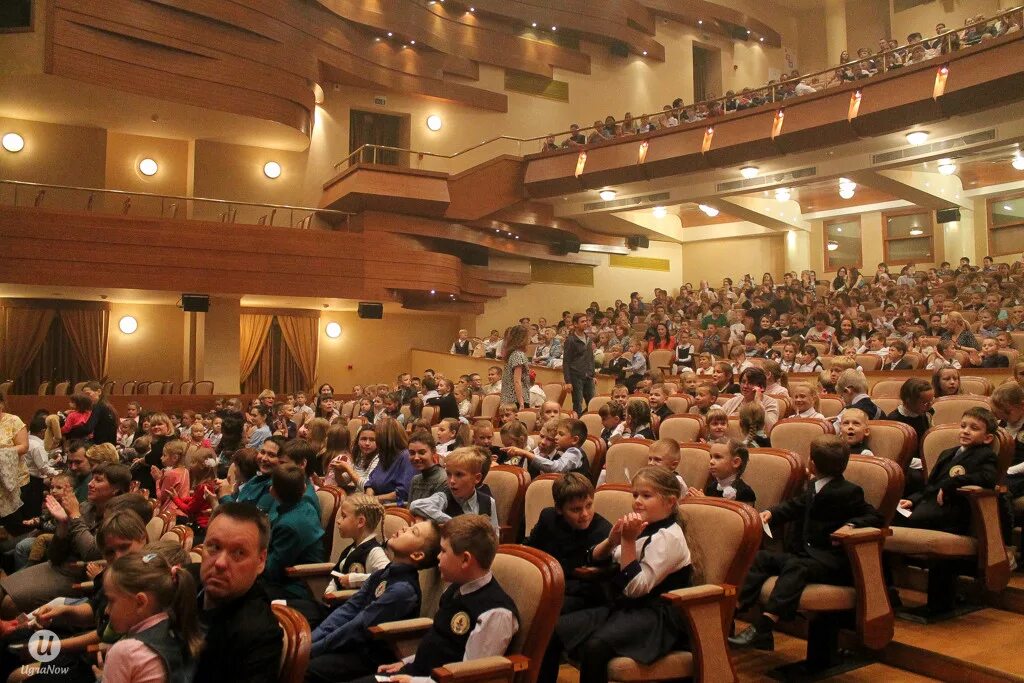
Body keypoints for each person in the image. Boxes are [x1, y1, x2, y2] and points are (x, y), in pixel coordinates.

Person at [730, 436, 881, 650]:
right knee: (761, 559)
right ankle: (733, 609)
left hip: (829, 560)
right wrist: (770, 513)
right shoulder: (814, 485)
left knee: (795, 567)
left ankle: (764, 625)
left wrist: (852, 525)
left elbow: (874, 516)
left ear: (812, 464)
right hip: (805, 554)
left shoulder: (849, 491)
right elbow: (795, 506)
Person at [545, 467, 692, 683]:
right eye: (635, 495)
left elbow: (634, 588)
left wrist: (628, 540)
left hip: (656, 615)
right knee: (553, 630)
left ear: (670, 502)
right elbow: (596, 558)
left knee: (595, 648)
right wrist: (612, 540)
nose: (637, 501)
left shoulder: (669, 538)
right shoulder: (643, 526)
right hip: (625, 607)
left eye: (646, 495)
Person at [360, 515, 519, 683]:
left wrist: (413, 681)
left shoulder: (495, 613)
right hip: (414, 674)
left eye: (443, 551)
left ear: (465, 560)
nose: (438, 557)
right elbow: (438, 644)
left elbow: (467, 677)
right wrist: (405, 662)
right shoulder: (456, 587)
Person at [307, 519, 443, 682]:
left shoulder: (403, 591)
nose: (404, 528)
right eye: (410, 526)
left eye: (413, 531)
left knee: (307, 668)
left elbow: (359, 626)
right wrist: (313, 640)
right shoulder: (384, 573)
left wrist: (314, 649)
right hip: (351, 644)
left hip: (369, 656)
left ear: (417, 555)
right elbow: (349, 609)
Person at [892, 408, 999, 614]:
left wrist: (952, 484)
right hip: (928, 508)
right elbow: (930, 487)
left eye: (974, 428)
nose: (966, 431)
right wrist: (913, 500)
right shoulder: (948, 453)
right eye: (963, 426)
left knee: (887, 524)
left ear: (987, 438)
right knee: (887, 518)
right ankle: (888, 591)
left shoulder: (985, 456)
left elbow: (987, 479)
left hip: (951, 515)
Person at [193, 503, 283, 683]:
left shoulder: (259, 635)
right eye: (214, 547)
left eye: (238, 553)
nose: (220, 563)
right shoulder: (185, 580)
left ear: (260, 561)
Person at [93, 550, 203, 683]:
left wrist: (102, 679)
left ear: (140, 602)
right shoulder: (179, 628)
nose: (106, 610)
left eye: (111, 601)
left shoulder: (125, 652)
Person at [526, 473, 612, 614]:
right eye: (576, 509)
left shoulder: (603, 532)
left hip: (584, 596)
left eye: (589, 505)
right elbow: (530, 548)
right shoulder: (548, 517)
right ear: (559, 509)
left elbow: (599, 582)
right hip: (545, 584)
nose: (585, 514)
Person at [410, 447, 500, 534]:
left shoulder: (488, 502)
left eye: (459, 475)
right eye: (448, 474)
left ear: (477, 478)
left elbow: (494, 537)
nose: (452, 481)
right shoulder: (444, 497)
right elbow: (416, 505)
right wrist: (454, 523)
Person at [690, 439, 756, 503]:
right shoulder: (712, 487)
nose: (711, 461)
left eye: (718, 457)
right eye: (711, 457)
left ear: (736, 462)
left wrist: (705, 501)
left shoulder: (746, 493)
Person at [564, 313, 597, 415]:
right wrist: (568, 381)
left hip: (589, 376)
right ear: (575, 324)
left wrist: (593, 374)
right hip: (576, 376)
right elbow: (566, 361)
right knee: (578, 403)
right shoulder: (570, 340)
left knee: (592, 403)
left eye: (586, 321)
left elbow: (591, 358)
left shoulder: (589, 338)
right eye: (582, 321)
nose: (586, 323)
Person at [407, 430, 447, 504]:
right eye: (412, 453)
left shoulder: (443, 480)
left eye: (421, 452)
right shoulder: (415, 480)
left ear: (433, 452)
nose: (416, 458)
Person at [500, 325, 532, 411]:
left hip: (508, 400)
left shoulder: (511, 353)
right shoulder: (518, 354)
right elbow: (517, 381)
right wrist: (521, 403)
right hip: (516, 400)